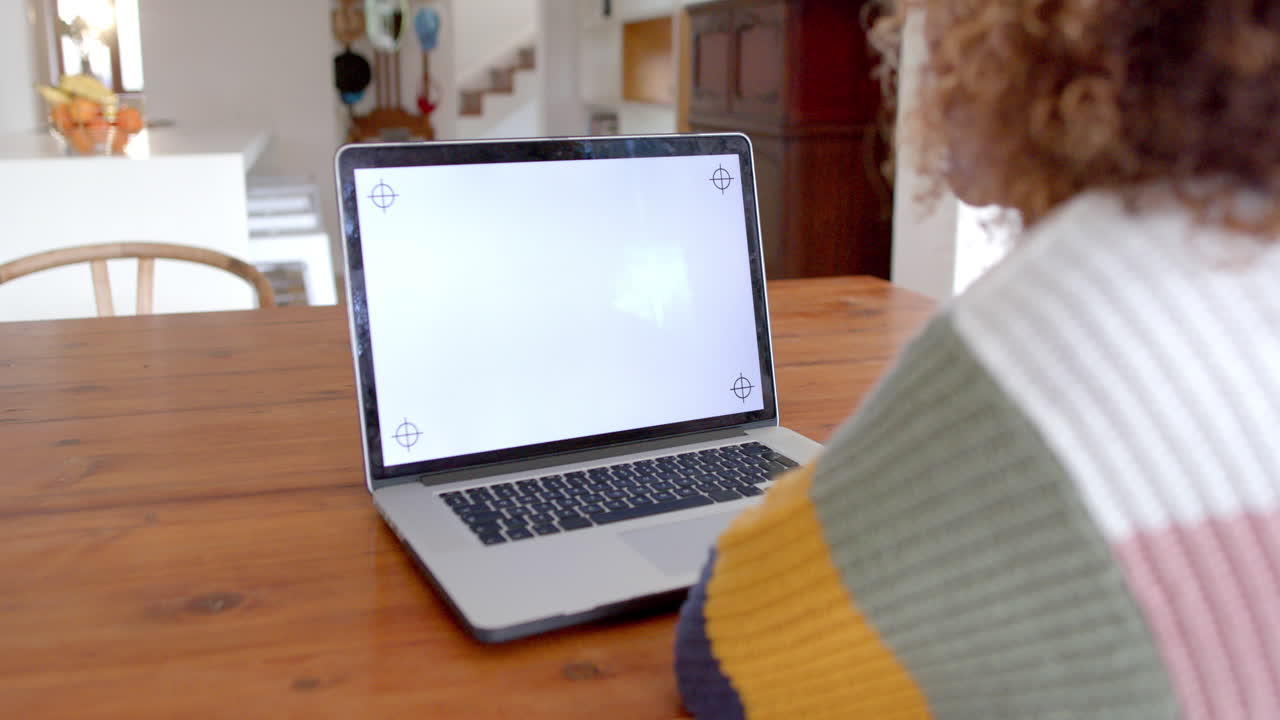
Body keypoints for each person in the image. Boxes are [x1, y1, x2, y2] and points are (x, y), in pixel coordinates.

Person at [673, 0, 1280, 718]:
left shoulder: (1061, 313)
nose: (919, 66)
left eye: (944, 30)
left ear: (1031, 56)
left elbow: (721, 656)